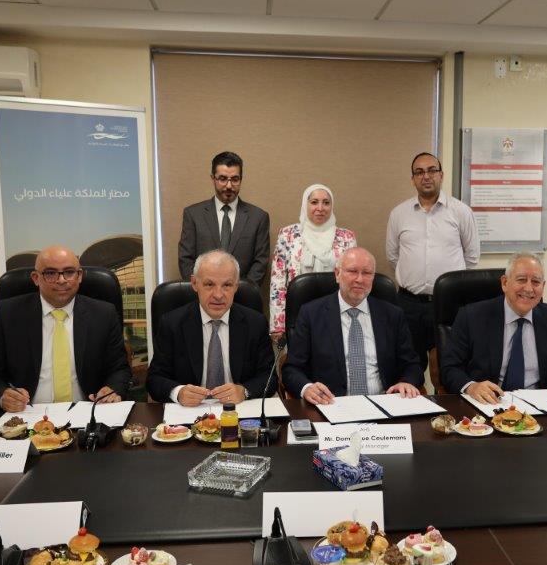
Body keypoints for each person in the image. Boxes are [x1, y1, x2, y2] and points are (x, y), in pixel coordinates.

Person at [0, 245, 132, 411]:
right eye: (50, 273)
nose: (61, 280)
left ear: (79, 276)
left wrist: (113, 389)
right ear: (36, 278)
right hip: (26, 414)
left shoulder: (104, 314)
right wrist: (2, 395)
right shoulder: (8, 313)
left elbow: (119, 369)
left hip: (87, 413)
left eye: (69, 272)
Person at [282, 247, 423, 405]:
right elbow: (291, 369)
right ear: (337, 274)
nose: (360, 279)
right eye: (352, 271)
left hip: (384, 404)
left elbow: (412, 365)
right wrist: (307, 388)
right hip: (331, 404)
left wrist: (407, 382)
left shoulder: (392, 315)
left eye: (367, 273)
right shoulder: (311, 313)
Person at [440, 252, 547, 403]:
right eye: (521, 280)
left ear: (543, 286)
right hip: (489, 404)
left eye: (536, 282)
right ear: (505, 283)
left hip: (540, 407)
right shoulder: (471, 317)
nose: (529, 288)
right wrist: (471, 387)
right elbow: (449, 368)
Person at [386, 152, 479, 376]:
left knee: (446, 369)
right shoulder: (399, 214)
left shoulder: (461, 211)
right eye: (419, 172)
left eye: (431, 170)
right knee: (409, 368)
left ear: (441, 175)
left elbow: (472, 258)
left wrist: (451, 286)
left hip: (447, 303)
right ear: (413, 179)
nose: (426, 176)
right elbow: (393, 256)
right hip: (409, 304)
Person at [147, 250, 275, 405]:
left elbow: (270, 378)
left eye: (227, 285)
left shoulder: (255, 323)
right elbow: (154, 379)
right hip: (189, 413)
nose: (218, 295)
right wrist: (178, 392)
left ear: (236, 286)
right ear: (195, 283)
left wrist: (245, 391)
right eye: (209, 284)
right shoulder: (171, 324)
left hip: (238, 410)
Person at [269, 184, 357, 341]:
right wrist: (278, 325)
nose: (320, 208)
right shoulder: (288, 235)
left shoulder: (347, 237)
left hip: (336, 313)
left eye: (326, 203)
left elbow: (352, 280)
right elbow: (278, 281)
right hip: (297, 313)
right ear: (305, 204)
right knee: (299, 354)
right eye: (314, 202)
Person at [178, 151, 270, 286]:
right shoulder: (193, 215)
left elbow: (260, 263)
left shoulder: (258, 218)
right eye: (222, 179)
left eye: (235, 179)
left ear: (241, 179)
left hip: (242, 294)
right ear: (213, 179)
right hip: (202, 295)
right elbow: (185, 259)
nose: (229, 186)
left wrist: (239, 290)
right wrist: (203, 289)